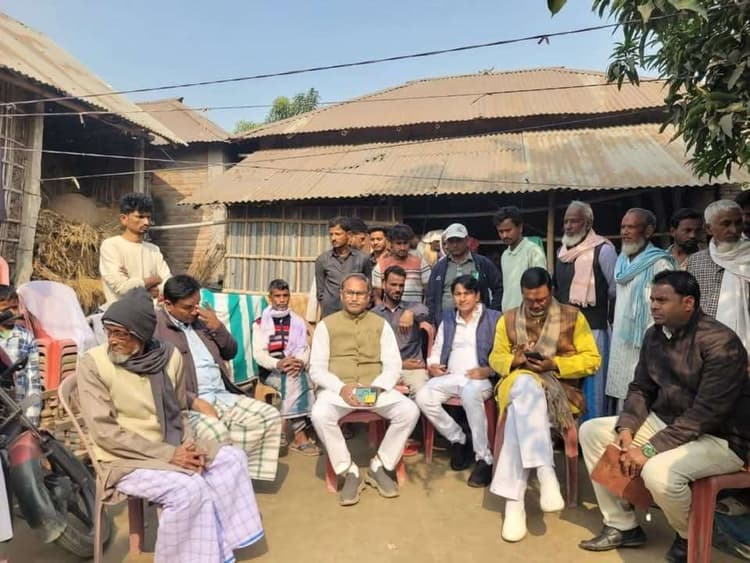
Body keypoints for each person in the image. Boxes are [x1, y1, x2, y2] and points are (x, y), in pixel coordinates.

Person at [77, 288, 264, 562]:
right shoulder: (93, 364)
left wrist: (187, 446)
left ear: (141, 334)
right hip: (123, 458)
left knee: (232, 459)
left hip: (170, 442)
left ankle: (220, 546)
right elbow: (105, 433)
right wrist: (170, 454)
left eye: (121, 334)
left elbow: (178, 412)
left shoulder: (169, 357)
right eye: (109, 332)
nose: (112, 340)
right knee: (189, 489)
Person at [579, 271, 750, 563]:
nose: (654, 306)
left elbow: (705, 414)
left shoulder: (721, 343)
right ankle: (623, 526)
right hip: (668, 423)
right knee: (592, 431)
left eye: (662, 300)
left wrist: (648, 449)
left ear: (688, 303)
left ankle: (689, 535)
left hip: (720, 437)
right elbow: (641, 388)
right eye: (652, 300)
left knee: (658, 472)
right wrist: (627, 427)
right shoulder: (654, 335)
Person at [489, 267, 600, 542]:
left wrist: (555, 364)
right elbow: (495, 357)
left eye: (541, 299)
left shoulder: (573, 317)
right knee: (525, 386)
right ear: (522, 294)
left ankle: (514, 504)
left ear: (551, 291)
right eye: (529, 300)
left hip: (560, 393)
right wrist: (516, 360)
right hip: (518, 385)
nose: (536, 304)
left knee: (519, 414)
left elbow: (592, 359)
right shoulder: (508, 319)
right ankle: (545, 471)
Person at [155, 275, 282, 482]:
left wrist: (218, 328)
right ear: (168, 304)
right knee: (217, 433)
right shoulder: (157, 328)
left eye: (197, 304)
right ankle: (215, 481)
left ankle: (238, 477)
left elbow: (230, 352)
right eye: (188, 307)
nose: (194, 311)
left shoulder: (202, 321)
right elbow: (157, 380)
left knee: (269, 416)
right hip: (188, 403)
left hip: (221, 395)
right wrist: (194, 401)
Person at [309, 274, 420, 506]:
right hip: (339, 391)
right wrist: (341, 388)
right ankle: (348, 470)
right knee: (319, 414)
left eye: (360, 294)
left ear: (369, 297)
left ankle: (380, 465)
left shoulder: (381, 325)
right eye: (350, 293)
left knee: (409, 410)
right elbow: (317, 369)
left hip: (374, 389)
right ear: (341, 295)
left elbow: (393, 365)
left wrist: (378, 387)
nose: (354, 298)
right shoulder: (326, 326)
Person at [416, 275, 502, 488]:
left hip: (480, 378)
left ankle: (484, 458)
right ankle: (458, 438)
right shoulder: (448, 319)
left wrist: (489, 370)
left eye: (467, 293)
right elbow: (437, 349)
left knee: (470, 394)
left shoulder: (494, 318)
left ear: (477, 296)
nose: (462, 299)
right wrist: (433, 365)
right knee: (423, 396)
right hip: (452, 376)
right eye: (457, 294)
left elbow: (502, 352)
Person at [606, 209, 675, 411]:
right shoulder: (621, 261)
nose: (625, 232)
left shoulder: (660, 263)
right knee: (623, 397)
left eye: (632, 227)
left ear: (648, 231)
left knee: (646, 398)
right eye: (623, 227)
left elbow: (670, 306)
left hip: (650, 342)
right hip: (622, 340)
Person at [554, 201, 616, 420]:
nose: (568, 226)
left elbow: (615, 290)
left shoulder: (604, 250)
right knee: (567, 382)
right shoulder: (562, 251)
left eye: (574, 221)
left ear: (588, 223)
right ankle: (570, 431)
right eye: (566, 221)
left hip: (594, 328)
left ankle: (592, 429)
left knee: (593, 384)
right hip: (566, 329)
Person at [252, 279, 320, 456]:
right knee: (295, 380)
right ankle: (300, 436)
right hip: (271, 371)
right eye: (277, 296)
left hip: (295, 366)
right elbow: (259, 355)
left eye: (285, 296)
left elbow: (304, 349)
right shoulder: (259, 324)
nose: (282, 300)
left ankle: (283, 429)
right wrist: (279, 364)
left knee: (296, 377)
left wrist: (299, 362)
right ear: (270, 298)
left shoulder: (297, 321)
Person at [686, 200, 750, 352]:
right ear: (709, 228)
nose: (734, 230)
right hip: (709, 341)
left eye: (738, 223)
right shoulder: (696, 261)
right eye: (726, 224)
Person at [99, 193, 172, 306]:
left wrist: (136, 284)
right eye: (140, 217)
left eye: (148, 217)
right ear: (124, 219)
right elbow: (122, 287)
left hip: (151, 313)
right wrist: (154, 280)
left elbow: (168, 284)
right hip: (122, 314)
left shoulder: (153, 250)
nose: (146, 222)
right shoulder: (111, 246)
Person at [426, 223, 502, 323]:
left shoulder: (482, 263)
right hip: (445, 322)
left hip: (477, 321)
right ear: (446, 243)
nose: (455, 245)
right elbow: (431, 297)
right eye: (451, 241)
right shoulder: (439, 267)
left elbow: (499, 288)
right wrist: (432, 321)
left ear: (467, 241)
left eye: (458, 240)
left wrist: (491, 313)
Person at [372, 266, 430, 397]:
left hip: (413, 370)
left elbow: (427, 311)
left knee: (423, 394)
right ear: (384, 284)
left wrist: (410, 312)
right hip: (385, 369)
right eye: (393, 285)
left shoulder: (413, 307)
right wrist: (401, 364)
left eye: (401, 285)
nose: (398, 289)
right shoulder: (374, 315)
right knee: (371, 392)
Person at [315, 216, 373, 318]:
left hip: (355, 315)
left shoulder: (362, 259)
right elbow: (320, 292)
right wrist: (326, 305)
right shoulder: (322, 260)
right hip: (330, 314)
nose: (333, 238)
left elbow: (368, 287)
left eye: (338, 234)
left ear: (349, 235)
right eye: (331, 234)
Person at [0, 285, 42, 426]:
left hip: (19, 410)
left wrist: (32, 418)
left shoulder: (25, 337)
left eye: (15, 307)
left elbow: (33, 380)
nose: (13, 313)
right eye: (6, 310)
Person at [494, 206, 548, 312]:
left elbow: (541, 287)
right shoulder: (505, 255)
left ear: (520, 228)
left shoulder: (533, 251)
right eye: (501, 231)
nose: (504, 235)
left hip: (528, 314)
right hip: (508, 314)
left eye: (508, 230)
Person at [373, 224, 431, 304]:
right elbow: (377, 296)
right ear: (391, 244)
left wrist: (422, 309)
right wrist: (383, 311)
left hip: (416, 310)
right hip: (390, 311)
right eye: (398, 243)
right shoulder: (381, 265)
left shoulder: (421, 263)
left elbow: (429, 292)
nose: (402, 248)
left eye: (405, 243)